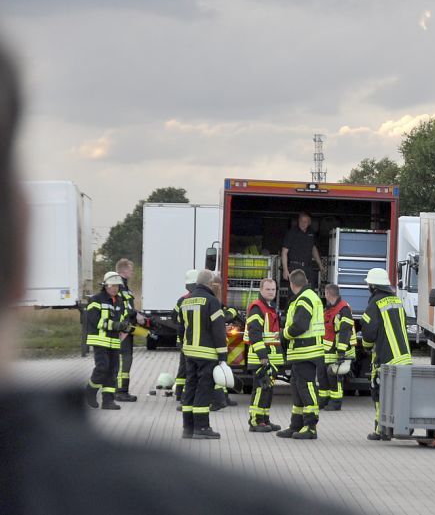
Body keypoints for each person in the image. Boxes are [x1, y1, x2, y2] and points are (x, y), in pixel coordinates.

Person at [0, 38, 346, 515]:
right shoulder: (213, 498)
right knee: (189, 388)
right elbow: (228, 324)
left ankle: (191, 421)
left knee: (189, 386)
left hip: (209, 352)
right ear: (22, 248)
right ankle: (194, 425)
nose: (269, 287)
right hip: (211, 354)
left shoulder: (198, 300)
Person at [362, 267, 412, 440]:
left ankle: (381, 429)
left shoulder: (374, 303)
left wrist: (366, 346)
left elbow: (368, 332)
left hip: (386, 358)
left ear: (374, 287)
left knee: (379, 392)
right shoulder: (397, 301)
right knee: (402, 393)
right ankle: (404, 424)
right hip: (404, 357)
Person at [178, 269, 228, 439]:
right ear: (209, 284)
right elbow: (219, 331)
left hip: (189, 353)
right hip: (207, 354)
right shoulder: (212, 301)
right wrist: (223, 356)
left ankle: (188, 428)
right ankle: (202, 427)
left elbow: (181, 328)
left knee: (190, 388)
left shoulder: (185, 301)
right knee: (204, 390)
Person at [276, 269, 324, 440]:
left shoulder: (304, 299)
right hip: (301, 352)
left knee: (306, 387)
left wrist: (283, 334)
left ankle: (310, 426)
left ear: (291, 284)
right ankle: (296, 425)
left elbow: (300, 325)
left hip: (306, 352)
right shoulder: (308, 296)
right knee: (297, 388)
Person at [83, 271, 130, 410]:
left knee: (113, 371)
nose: (114, 288)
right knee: (102, 368)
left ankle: (108, 401)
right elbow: (94, 319)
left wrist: (125, 327)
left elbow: (124, 318)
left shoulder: (120, 301)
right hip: (100, 341)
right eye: (112, 285)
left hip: (114, 341)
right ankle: (90, 392)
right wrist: (114, 325)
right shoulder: (96, 299)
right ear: (105, 285)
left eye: (117, 286)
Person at [244, 278, 283, 432]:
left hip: (270, 358)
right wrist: (263, 357)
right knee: (260, 389)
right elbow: (255, 334)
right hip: (262, 358)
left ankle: (265, 419)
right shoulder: (257, 308)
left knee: (268, 390)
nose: (271, 292)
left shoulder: (270, 307)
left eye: (273, 289)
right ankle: (255, 421)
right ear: (261, 290)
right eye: (268, 289)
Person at [318, 283, 355, 411]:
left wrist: (341, 351)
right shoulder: (330, 308)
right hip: (328, 349)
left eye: (325, 293)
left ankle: (336, 402)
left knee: (334, 376)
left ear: (328, 294)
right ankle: (324, 399)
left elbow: (345, 331)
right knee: (323, 375)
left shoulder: (343, 309)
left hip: (339, 350)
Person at [207, 272, 240, 410]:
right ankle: (222, 398)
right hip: (219, 341)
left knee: (216, 371)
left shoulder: (212, 301)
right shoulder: (215, 301)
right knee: (219, 370)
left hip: (213, 342)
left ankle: (220, 399)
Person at [114, 258, 145, 403]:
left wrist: (138, 314)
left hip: (128, 327)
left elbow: (128, 307)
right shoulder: (118, 287)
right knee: (125, 360)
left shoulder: (124, 287)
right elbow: (123, 308)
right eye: (131, 269)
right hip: (123, 329)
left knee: (126, 359)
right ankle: (120, 391)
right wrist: (135, 315)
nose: (132, 272)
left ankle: (119, 390)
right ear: (124, 270)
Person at [172, 269, 198, 409]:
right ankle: (184, 394)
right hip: (192, 340)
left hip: (184, 339)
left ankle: (179, 392)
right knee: (189, 368)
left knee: (183, 366)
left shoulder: (182, 300)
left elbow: (174, 316)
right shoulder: (200, 299)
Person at [280, 212, 327, 286]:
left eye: (305, 222)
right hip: (295, 266)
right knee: (295, 291)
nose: (303, 223)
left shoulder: (311, 233)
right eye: (301, 221)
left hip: (308, 267)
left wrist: (320, 265)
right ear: (298, 221)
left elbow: (313, 249)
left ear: (309, 223)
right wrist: (285, 270)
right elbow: (284, 252)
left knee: (309, 289)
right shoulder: (292, 233)